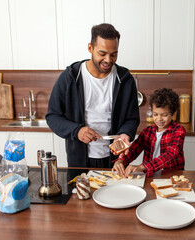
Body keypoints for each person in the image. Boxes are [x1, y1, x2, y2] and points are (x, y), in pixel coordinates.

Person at [46, 23, 140, 168]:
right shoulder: (70, 76)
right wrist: (77, 131)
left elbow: (132, 118)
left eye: (113, 54)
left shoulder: (126, 79)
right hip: (79, 160)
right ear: (90, 48)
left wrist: (125, 133)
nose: (108, 60)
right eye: (102, 54)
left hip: (115, 160)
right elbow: (53, 116)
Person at [112, 88, 186, 177]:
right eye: (155, 114)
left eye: (164, 115)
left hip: (171, 175)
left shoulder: (178, 130)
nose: (159, 119)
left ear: (173, 114)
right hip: (150, 175)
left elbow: (170, 155)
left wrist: (142, 167)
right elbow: (134, 149)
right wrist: (121, 161)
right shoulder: (148, 131)